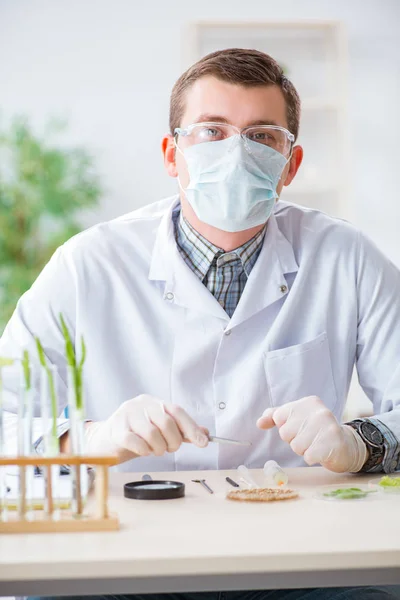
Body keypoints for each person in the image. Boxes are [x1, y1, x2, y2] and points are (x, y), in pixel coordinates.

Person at [2, 48, 400, 599]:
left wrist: (361, 444)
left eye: (262, 137)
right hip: (121, 556)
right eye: (212, 132)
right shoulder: (85, 265)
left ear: (292, 162)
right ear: (172, 154)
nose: (236, 154)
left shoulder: (347, 257)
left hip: (298, 556)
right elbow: (6, 417)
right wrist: (91, 438)